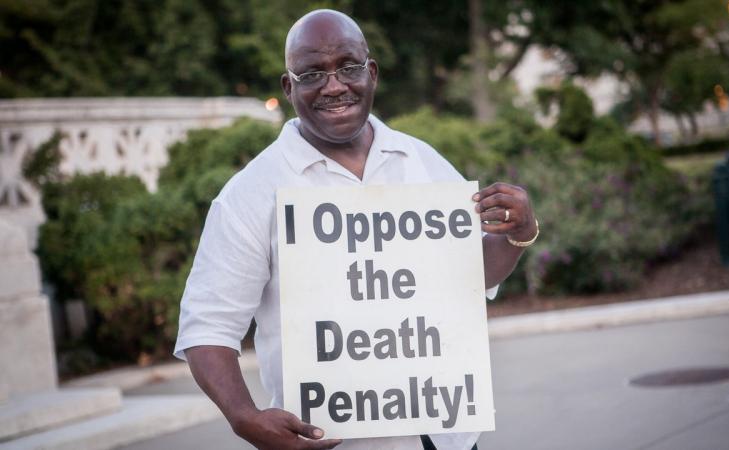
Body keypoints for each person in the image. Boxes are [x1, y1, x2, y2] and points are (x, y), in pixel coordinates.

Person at [174, 9, 538, 450]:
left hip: (449, 436)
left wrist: (517, 234)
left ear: (372, 73)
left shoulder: (421, 161)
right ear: (289, 87)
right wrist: (243, 416)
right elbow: (207, 327)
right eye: (312, 74)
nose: (334, 85)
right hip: (339, 441)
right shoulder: (250, 195)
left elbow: (467, 277)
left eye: (348, 67)